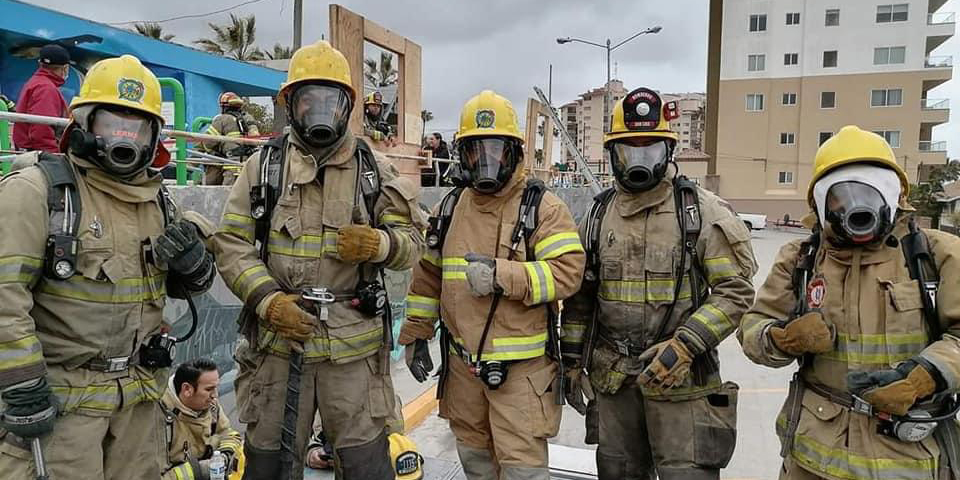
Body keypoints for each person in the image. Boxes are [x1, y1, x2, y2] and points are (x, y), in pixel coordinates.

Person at [211, 40, 426, 480]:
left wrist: (379, 245)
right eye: (309, 98)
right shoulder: (263, 168)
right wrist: (269, 301)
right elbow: (231, 244)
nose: (320, 109)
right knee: (268, 465)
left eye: (331, 99)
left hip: (354, 359)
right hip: (277, 347)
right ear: (291, 104)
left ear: (347, 105)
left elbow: (413, 243)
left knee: (366, 466)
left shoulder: (374, 170)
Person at [0, 54, 217, 480]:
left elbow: (187, 289)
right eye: (111, 125)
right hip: (63, 409)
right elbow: (4, 299)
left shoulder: (159, 203)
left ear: (154, 138)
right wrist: (23, 385)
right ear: (83, 125)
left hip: (137, 407)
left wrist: (193, 266)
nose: (124, 139)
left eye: (136, 129)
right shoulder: (37, 193)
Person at [738, 125, 960, 480]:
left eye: (869, 191)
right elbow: (753, 326)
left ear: (894, 195)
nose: (856, 207)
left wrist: (926, 377)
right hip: (813, 459)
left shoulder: (936, 255)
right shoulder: (800, 259)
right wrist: (782, 338)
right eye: (840, 197)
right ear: (821, 203)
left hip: (907, 459)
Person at [560, 87, 757, 480]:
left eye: (649, 151)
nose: (639, 162)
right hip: (615, 383)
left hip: (682, 384)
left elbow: (735, 292)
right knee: (618, 473)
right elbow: (581, 299)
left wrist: (685, 346)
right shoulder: (597, 217)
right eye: (628, 151)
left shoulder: (701, 213)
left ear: (668, 152)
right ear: (612, 154)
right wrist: (571, 361)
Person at [399, 90, 586, 480]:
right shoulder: (450, 208)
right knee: (475, 461)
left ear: (514, 152)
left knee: (522, 472)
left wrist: (502, 276)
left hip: (522, 377)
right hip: (463, 372)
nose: (487, 161)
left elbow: (568, 272)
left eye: (496, 150)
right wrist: (416, 333)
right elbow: (427, 277)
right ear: (463, 155)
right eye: (476, 151)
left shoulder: (542, 208)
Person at [161, 359, 243, 480]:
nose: (215, 395)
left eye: (216, 387)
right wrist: (199, 470)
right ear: (187, 389)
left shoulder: (211, 406)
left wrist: (225, 455)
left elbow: (229, 434)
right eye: (209, 389)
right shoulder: (159, 417)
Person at [12, 44, 70, 153]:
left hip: (26, 150)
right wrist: (54, 154)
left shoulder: (36, 82)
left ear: (40, 63)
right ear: (65, 68)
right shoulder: (46, 88)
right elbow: (42, 128)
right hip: (37, 154)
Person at [202, 92, 260, 186]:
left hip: (232, 165)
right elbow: (256, 139)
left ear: (224, 107)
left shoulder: (221, 119)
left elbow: (208, 142)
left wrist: (212, 151)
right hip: (249, 164)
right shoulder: (248, 118)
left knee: (228, 192)